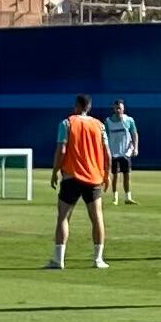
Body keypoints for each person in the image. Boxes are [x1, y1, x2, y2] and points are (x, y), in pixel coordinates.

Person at [45, 94, 110, 270]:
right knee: (97, 218)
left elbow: (62, 150)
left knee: (63, 217)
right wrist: (107, 174)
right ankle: (98, 259)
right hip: (94, 176)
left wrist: (55, 171)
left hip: (71, 176)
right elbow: (107, 153)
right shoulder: (99, 125)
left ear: (76, 105)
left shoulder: (67, 123)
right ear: (89, 107)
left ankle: (59, 260)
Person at [105, 99, 140, 203]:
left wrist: (136, 147)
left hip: (126, 152)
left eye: (119, 108)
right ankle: (115, 197)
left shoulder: (129, 120)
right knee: (115, 175)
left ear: (123, 108)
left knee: (127, 175)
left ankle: (127, 197)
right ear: (113, 108)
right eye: (116, 108)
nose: (118, 110)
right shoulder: (108, 122)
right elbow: (105, 136)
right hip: (113, 152)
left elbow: (134, 134)